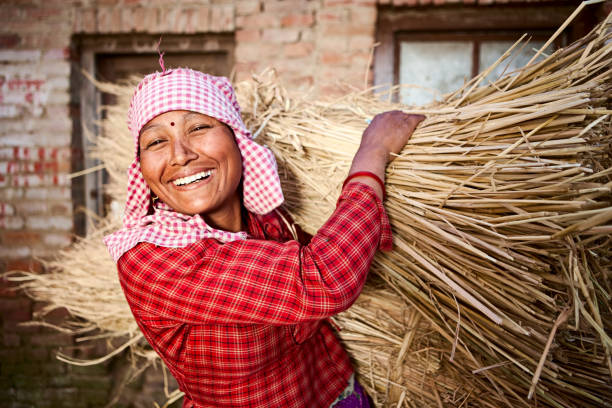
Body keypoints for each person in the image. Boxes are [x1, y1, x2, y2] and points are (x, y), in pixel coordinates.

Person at [104, 67, 424, 408]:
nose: (180, 154)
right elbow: (323, 279)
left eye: (198, 127)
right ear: (142, 168)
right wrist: (374, 150)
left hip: (337, 392)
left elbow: (344, 242)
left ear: (237, 140)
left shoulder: (266, 212)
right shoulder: (152, 261)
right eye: (156, 142)